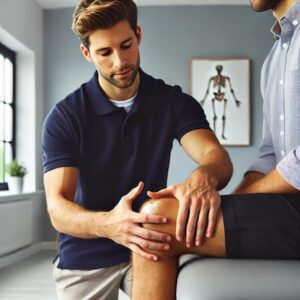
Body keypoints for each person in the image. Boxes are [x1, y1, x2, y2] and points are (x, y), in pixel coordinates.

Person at [42, 0, 233, 299]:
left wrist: (204, 177)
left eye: (126, 45)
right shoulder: (65, 117)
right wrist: (111, 225)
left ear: (139, 35)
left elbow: (216, 158)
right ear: (87, 53)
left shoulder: (173, 102)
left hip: (151, 245)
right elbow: (58, 209)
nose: (120, 61)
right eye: (105, 52)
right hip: (86, 254)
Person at [131, 0, 300, 299]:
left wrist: (235, 199)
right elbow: (268, 154)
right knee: (162, 217)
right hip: (290, 207)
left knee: (156, 220)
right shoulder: (275, 59)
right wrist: (221, 202)